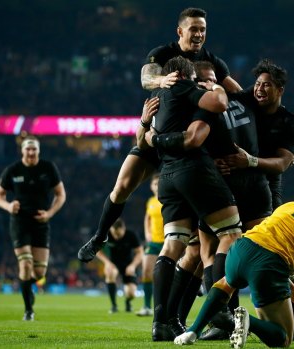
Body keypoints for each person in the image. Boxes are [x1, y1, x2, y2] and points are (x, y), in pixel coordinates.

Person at [77, 6, 241, 263]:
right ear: (180, 31)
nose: (198, 34)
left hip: (191, 144)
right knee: (122, 187)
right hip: (157, 132)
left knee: (197, 220)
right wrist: (160, 82)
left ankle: (193, 271)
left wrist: (258, 104)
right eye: (193, 29)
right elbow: (146, 78)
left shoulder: (213, 62)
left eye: (202, 29)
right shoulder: (163, 54)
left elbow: (237, 93)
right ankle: (100, 236)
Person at [174, 180, 294, 349]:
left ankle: (192, 331)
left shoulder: (293, 205)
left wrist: (290, 287)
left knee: (226, 283)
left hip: (240, 249)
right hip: (268, 267)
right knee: (283, 339)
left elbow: (270, 241)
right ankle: (244, 321)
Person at [141, 56, 242, 342]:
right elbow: (219, 105)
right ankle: (220, 309)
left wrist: (148, 130)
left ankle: (161, 321)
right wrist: (216, 88)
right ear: (185, 75)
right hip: (194, 170)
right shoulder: (183, 87)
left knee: (173, 245)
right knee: (231, 234)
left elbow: (143, 139)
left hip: (167, 177)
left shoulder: (155, 97)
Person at [223, 58, 294, 340]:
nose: (259, 89)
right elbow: (224, 84)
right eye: (257, 84)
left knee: (279, 257)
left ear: (280, 89)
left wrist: (250, 161)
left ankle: (292, 320)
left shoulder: (289, 122)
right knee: (226, 250)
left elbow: (281, 163)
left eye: (266, 85)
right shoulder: (245, 101)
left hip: (269, 188)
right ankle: (225, 319)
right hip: (237, 185)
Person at [0, 135, 66, 321]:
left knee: (39, 272)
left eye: (34, 149)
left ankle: (26, 288)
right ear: (22, 150)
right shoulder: (13, 170)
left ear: (38, 151)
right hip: (19, 222)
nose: (31, 152)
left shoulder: (48, 168)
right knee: (25, 265)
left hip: (41, 222)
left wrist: (50, 213)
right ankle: (28, 310)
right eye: (28, 149)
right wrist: (9, 206)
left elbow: (61, 194)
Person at [94, 218, 144, 313]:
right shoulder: (106, 234)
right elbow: (97, 250)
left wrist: (133, 266)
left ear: (123, 228)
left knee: (131, 294)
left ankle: (127, 301)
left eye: (118, 234)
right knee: (110, 271)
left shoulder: (131, 235)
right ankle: (114, 305)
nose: (116, 236)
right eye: (114, 234)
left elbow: (140, 252)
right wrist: (107, 263)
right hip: (114, 264)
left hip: (129, 265)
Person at [136, 173, 164, 316]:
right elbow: (147, 218)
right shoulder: (151, 202)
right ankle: (147, 306)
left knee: (169, 276)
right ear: (151, 186)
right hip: (154, 242)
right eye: (155, 184)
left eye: (159, 183)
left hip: (169, 242)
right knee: (146, 271)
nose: (157, 186)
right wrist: (147, 233)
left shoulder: (169, 199)